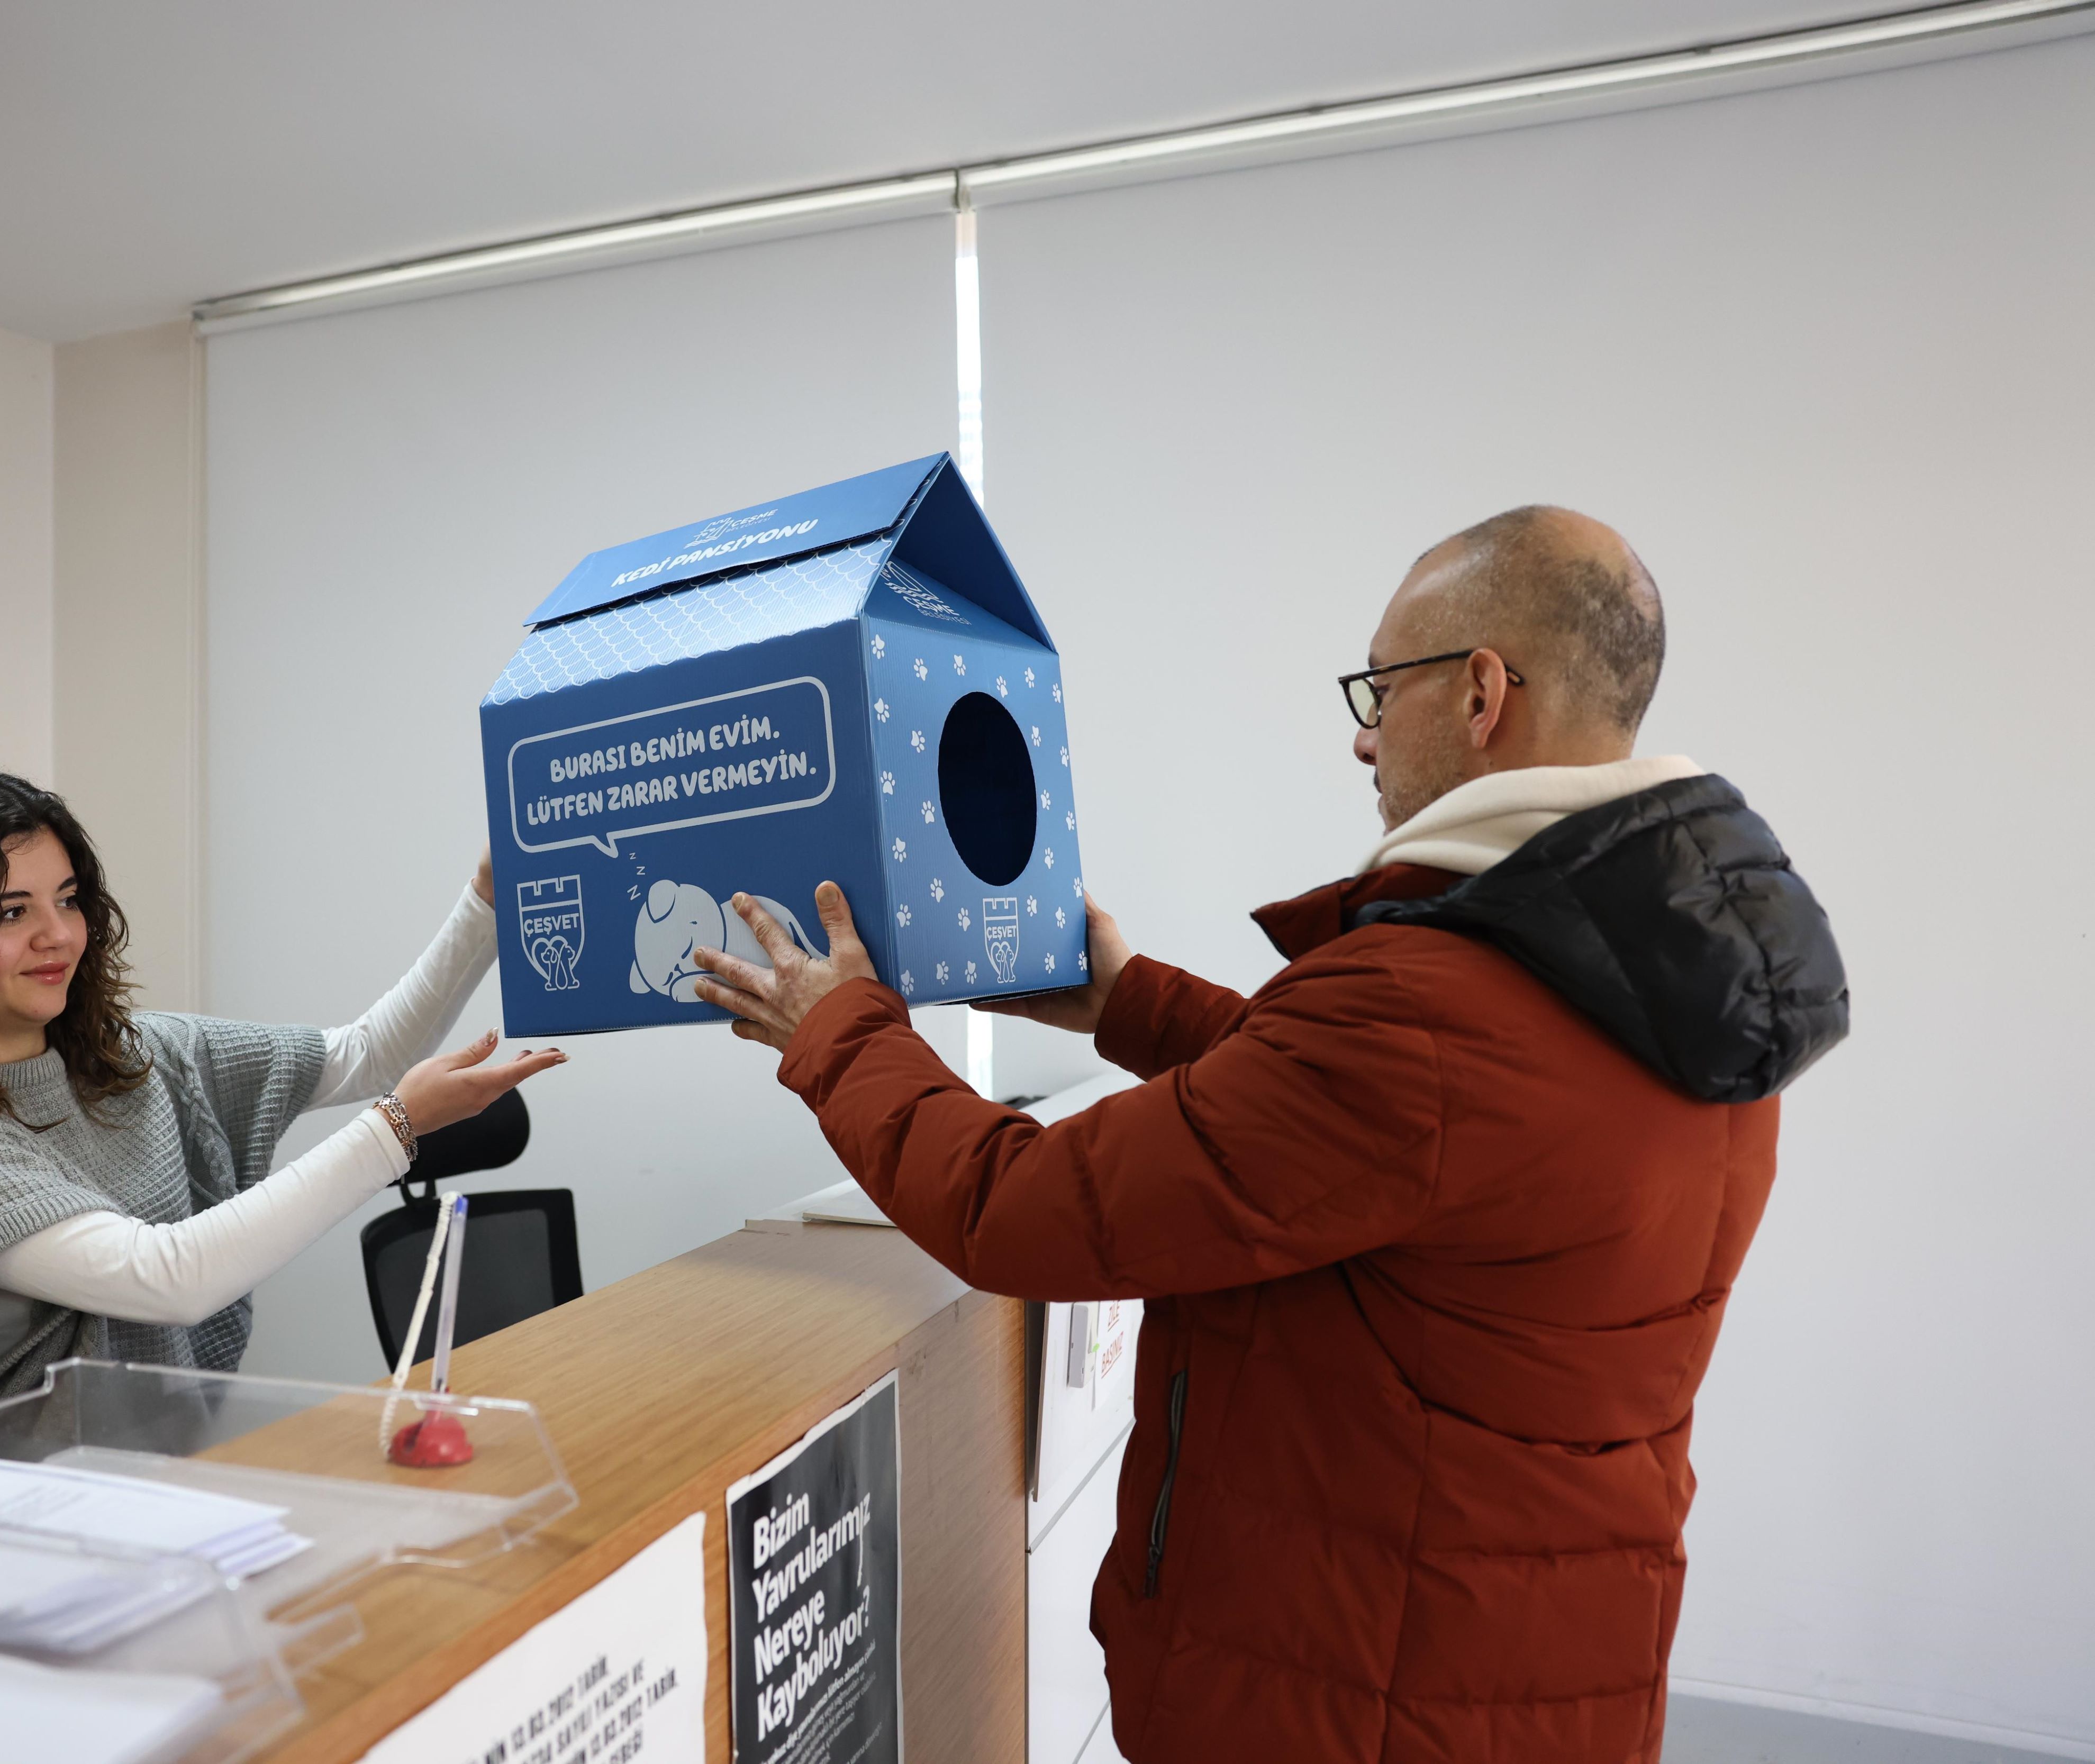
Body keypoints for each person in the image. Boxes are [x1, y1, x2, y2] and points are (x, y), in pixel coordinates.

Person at [692, 507, 1849, 1763]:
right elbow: (1391, 1138)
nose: (1360, 734)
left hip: (1361, 1693)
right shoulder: (1676, 971)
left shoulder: (1434, 1007)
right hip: (1538, 1656)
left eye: (1378, 686)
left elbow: (1020, 1208)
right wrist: (1130, 999)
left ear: (1479, 693)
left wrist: (837, 1031)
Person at [0, 766, 560, 1445]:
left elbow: (364, 1054)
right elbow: (167, 1275)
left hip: (130, 1483)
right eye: (11, 912)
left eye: (69, 898)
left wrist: (488, 899)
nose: (60, 935)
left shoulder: (132, 1054)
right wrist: (394, 1130)